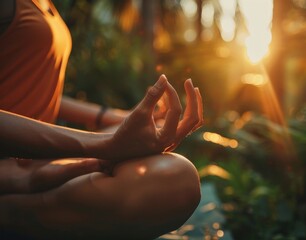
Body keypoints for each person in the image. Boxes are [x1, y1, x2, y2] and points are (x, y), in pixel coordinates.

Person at [0, 0, 203, 239]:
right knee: (176, 182)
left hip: (35, 157)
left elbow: (37, 90)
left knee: (158, 146)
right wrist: (105, 144)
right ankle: (13, 213)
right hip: (11, 166)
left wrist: (115, 117)